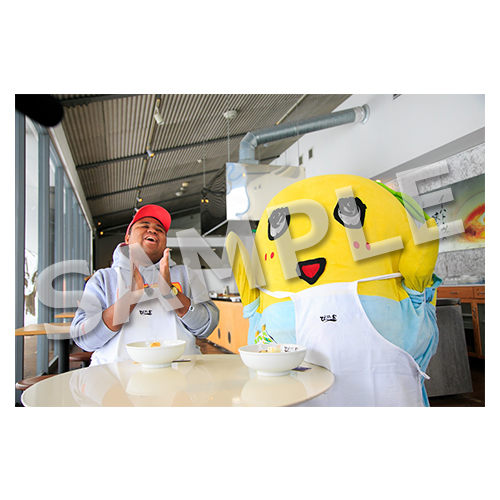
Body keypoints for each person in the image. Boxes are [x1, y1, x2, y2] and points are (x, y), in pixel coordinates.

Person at [71, 205, 220, 365]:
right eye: (144, 225)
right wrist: (129, 299)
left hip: (180, 370)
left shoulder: (186, 274)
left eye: (159, 230)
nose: (153, 230)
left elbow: (207, 327)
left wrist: (172, 294)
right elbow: (85, 339)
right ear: (127, 239)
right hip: (115, 373)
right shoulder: (103, 278)